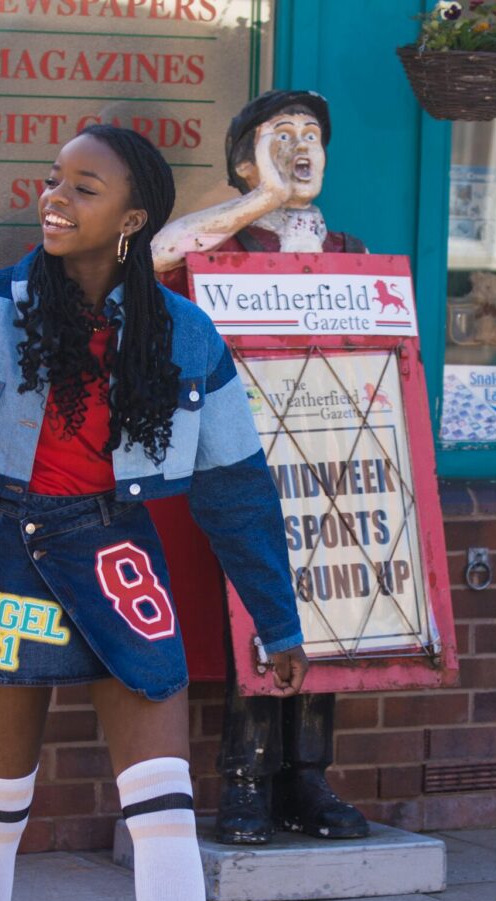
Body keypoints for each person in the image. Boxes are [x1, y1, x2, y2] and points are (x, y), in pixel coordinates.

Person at [0, 124, 306, 901]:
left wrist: (276, 614)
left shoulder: (184, 335)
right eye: (53, 181)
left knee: (166, 802)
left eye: (82, 188)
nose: (55, 198)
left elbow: (234, 485)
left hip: (118, 554)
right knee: (1, 799)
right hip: (7, 552)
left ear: (133, 219)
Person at [151, 90, 371, 846]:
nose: (303, 147)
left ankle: (305, 774)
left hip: (336, 464)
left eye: (314, 134)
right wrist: (264, 198)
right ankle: (243, 777)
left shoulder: (348, 252)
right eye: (283, 137)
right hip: (244, 462)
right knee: (258, 609)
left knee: (331, 607)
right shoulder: (222, 250)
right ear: (245, 160)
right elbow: (147, 259)